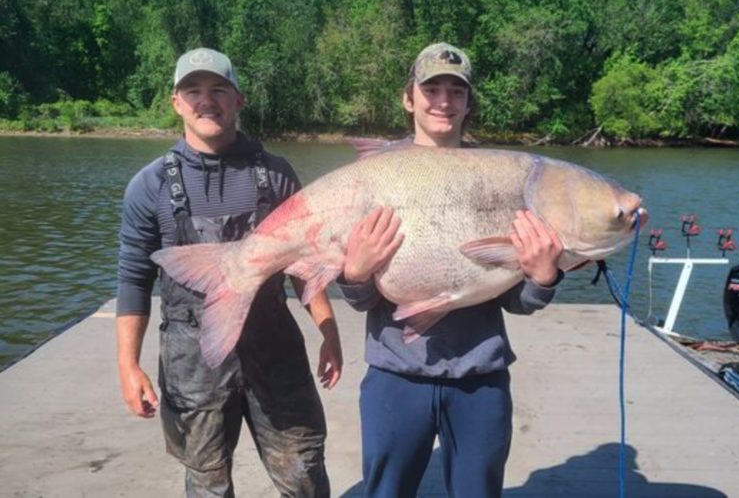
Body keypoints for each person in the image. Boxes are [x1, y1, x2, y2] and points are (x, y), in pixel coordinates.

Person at [338, 43, 564, 497]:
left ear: (467, 103)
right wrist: (355, 274)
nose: (443, 100)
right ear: (409, 98)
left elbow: (513, 299)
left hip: (479, 377)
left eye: (456, 91)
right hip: (396, 373)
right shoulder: (376, 174)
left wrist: (542, 278)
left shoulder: (499, 176)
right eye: (432, 88)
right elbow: (363, 298)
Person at [116, 47, 342, 497]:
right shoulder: (150, 185)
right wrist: (128, 364)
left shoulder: (277, 176)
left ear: (238, 99)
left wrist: (328, 327)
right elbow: (133, 278)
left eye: (218, 89)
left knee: (304, 474)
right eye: (193, 91)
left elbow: (303, 264)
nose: (207, 100)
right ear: (176, 103)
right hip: (192, 359)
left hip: (275, 350)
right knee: (207, 483)